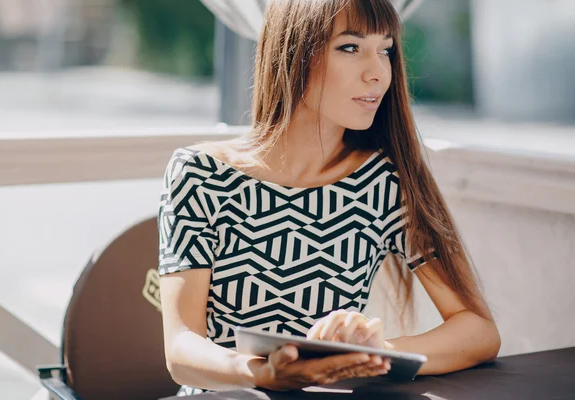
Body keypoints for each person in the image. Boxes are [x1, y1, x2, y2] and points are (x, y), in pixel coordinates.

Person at [157, 0, 501, 395]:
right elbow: (180, 350)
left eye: (385, 50)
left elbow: (478, 330)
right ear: (294, 53)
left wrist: (374, 353)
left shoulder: (386, 180)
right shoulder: (200, 174)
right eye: (350, 48)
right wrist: (262, 373)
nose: (378, 74)